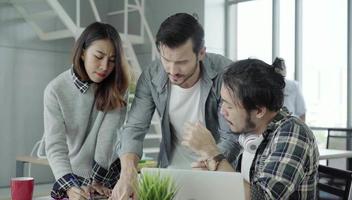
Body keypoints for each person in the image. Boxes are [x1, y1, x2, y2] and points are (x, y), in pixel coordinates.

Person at [111, 13, 240, 200]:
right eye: (166, 60)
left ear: (201, 53)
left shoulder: (226, 73)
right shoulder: (151, 75)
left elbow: (231, 138)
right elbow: (134, 129)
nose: (172, 70)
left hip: (218, 175)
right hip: (171, 177)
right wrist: (128, 173)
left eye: (181, 62)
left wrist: (211, 161)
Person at [182, 59, 319, 199]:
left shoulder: (293, 133)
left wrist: (213, 153)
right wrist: (215, 174)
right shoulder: (249, 133)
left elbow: (261, 198)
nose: (223, 112)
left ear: (259, 111)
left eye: (229, 106)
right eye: (222, 101)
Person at [43, 22, 130, 200]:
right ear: (82, 52)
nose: (105, 67)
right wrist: (70, 187)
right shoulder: (55, 90)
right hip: (73, 175)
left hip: (108, 172)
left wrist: (97, 181)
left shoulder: (117, 86)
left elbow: (109, 137)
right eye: (98, 56)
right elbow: (55, 146)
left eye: (112, 60)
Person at [273, 57, 307, 121]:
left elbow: (302, 112)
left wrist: (300, 130)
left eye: (282, 68)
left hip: (289, 123)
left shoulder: (293, 86)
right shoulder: (269, 86)